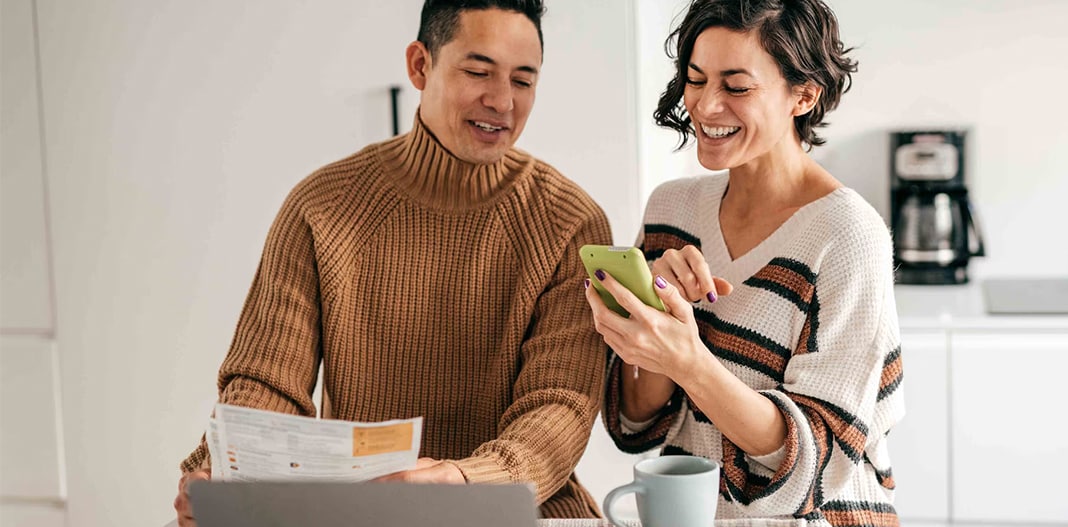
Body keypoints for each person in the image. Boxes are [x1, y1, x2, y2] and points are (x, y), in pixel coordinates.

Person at [173, 0, 612, 524]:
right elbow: (267, 384)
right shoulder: (320, 207)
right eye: (478, 71)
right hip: (364, 509)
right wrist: (224, 469)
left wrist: (466, 481)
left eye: (523, 80)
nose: (502, 101)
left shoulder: (570, 224)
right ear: (420, 66)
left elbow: (559, 407)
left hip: (521, 508)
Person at [585, 0, 904, 523]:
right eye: (695, 79)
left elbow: (815, 465)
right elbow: (636, 421)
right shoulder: (672, 209)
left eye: (736, 87)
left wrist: (692, 362)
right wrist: (655, 319)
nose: (706, 107)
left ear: (803, 95)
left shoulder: (848, 234)